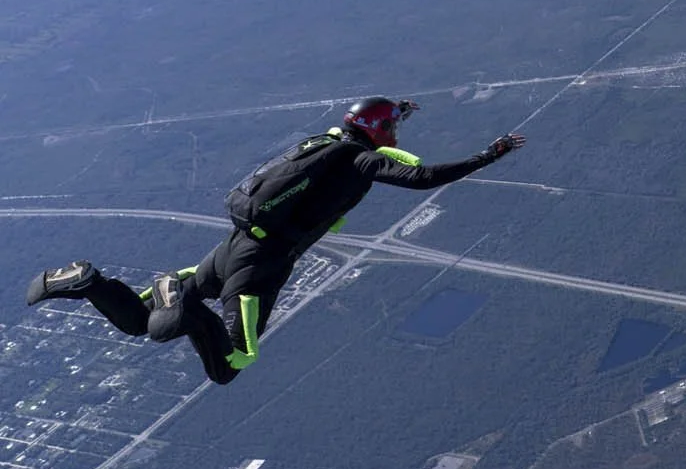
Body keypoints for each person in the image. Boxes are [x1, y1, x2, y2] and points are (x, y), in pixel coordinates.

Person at [25, 99, 520, 386]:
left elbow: (379, 134)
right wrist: (486, 156)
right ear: (378, 131)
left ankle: (89, 284)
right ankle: (183, 306)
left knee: (136, 319)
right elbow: (423, 176)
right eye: (391, 126)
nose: (393, 132)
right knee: (232, 363)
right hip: (260, 265)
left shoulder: (322, 144)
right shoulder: (360, 161)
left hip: (232, 247)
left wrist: (398, 110)